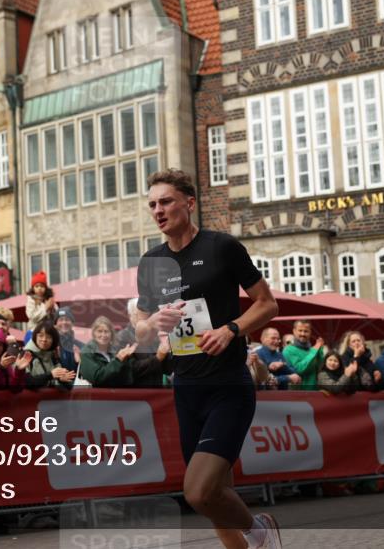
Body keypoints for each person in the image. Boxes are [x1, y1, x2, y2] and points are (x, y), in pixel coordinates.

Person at [135, 169, 280, 549]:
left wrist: (231, 328)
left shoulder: (221, 247)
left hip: (227, 384)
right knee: (216, 492)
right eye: (152, 204)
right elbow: (140, 328)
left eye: (166, 201)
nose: (158, 210)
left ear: (189, 203)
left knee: (199, 493)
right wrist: (152, 322)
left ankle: (260, 528)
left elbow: (267, 304)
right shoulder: (151, 262)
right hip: (186, 388)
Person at [78, 316, 136, 387]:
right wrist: (118, 360)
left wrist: (127, 359)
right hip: (96, 396)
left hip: (117, 394)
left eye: (106, 331)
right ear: (94, 333)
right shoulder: (87, 352)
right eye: (99, 331)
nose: (103, 335)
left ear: (111, 334)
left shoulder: (115, 350)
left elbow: (126, 378)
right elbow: (96, 378)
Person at [24, 322, 76, 389]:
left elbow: (61, 381)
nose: (44, 339)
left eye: (48, 337)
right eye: (40, 335)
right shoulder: (26, 354)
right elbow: (28, 382)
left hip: (52, 398)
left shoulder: (53, 354)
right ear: (35, 337)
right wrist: (50, 375)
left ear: (53, 340)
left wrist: (62, 379)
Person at [282, 321, 325, 390]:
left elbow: (321, 369)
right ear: (294, 331)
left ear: (310, 332)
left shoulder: (312, 350)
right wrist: (315, 349)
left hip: (315, 392)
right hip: (297, 394)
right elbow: (299, 369)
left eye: (306, 331)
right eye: (300, 330)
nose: (303, 334)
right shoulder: (288, 350)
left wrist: (320, 351)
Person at [129, 323, 173, 388]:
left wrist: (167, 351)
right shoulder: (128, 340)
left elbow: (168, 370)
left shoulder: (155, 342)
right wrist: (157, 358)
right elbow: (132, 370)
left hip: (157, 390)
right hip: (137, 392)